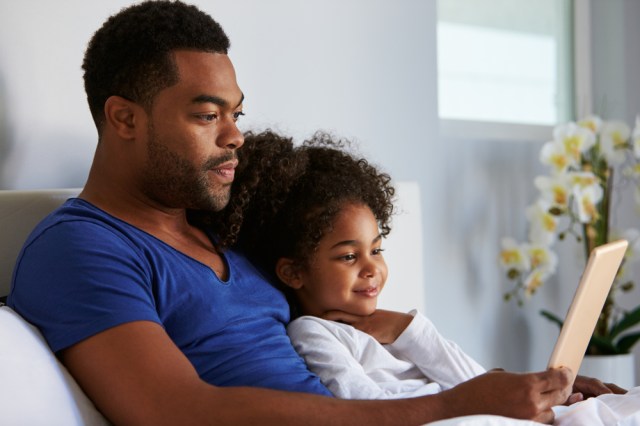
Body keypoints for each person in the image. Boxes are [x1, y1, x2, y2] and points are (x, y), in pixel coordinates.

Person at [5, 1, 612, 424]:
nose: (235, 136)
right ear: (124, 118)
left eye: (236, 114)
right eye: (206, 114)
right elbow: (179, 412)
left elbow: (344, 329)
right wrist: (457, 406)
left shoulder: (226, 235)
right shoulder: (82, 249)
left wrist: (522, 390)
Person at [214, 130, 640, 425]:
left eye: (376, 250)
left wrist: (407, 327)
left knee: (618, 405)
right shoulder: (314, 333)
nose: (372, 268)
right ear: (293, 271)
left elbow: (474, 381)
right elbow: (365, 408)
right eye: (348, 256)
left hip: (475, 413)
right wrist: (414, 338)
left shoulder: (386, 327)